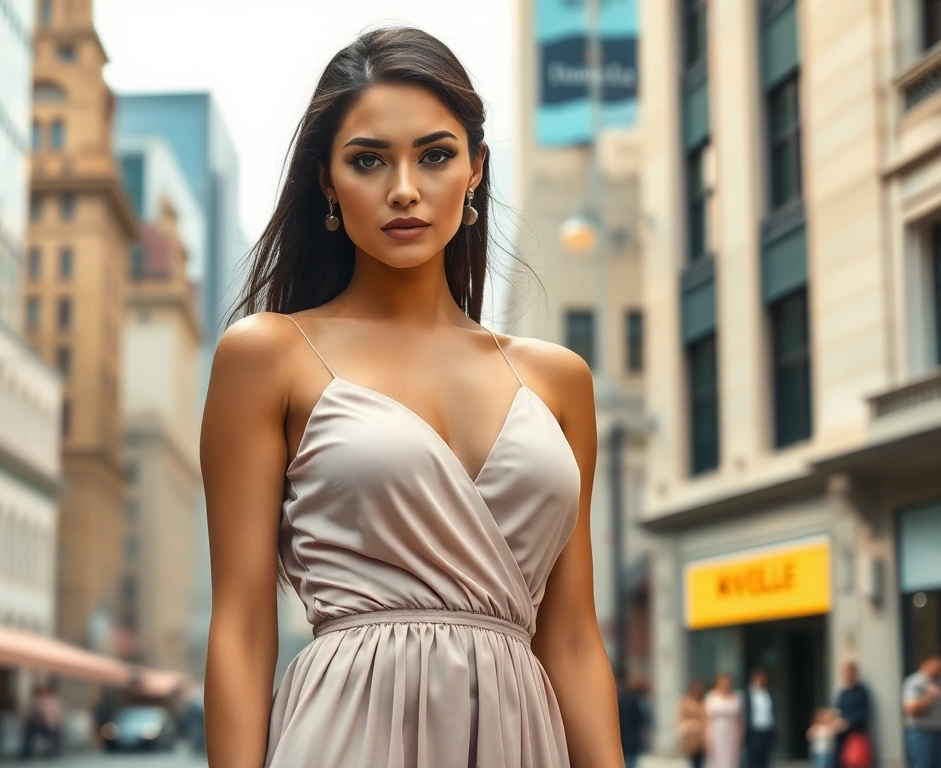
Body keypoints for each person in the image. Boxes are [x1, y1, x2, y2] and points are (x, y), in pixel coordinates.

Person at [201, 26, 622, 767]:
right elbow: (240, 627)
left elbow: (574, 639)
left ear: (475, 170)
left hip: (519, 739)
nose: (404, 187)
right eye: (368, 160)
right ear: (328, 183)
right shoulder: (268, 355)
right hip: (342, 736)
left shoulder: (559, 381)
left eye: (435, 154)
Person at [904, 655, 941, 768]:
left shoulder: (938, 681)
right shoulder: (915, 682)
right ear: (926, 663)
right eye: (936, 663)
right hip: (921, 733)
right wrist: (929, 697)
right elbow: (910, 709)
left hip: (937, 732)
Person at [834, 660, 872, 767]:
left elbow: (863, 714)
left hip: (855, 736)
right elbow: (838, 711)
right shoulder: (842, 693)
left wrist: (848, 723)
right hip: (841, 738)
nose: (846, 675)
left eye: (848, 672)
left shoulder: (861, 692)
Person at [704, 673, 743, 768]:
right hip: (715, 731)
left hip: (731, 732)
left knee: (731, 759)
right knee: (716, 758)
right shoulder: (710, 697)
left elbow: (739, 719)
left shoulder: (736, 697)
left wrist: (740, 736)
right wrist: (706, 736)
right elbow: (706, 718)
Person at [21, 681, 63, 758]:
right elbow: (32, 715)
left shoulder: (48, 701)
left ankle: (52, 752)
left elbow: (51, 716)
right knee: (29, 731)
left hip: (48, 726)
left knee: (56, 731)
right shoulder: (38, 701)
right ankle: (26, 753)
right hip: (42, 726)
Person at [745, 668, 776, 768]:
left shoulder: (770, 693)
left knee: (765, 759)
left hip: (767, 729)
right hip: (754, 730)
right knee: (754, 758)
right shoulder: (748, 693)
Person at [618, 672, 649, 768]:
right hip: (633, 736)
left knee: (624, 760)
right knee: (632, 761)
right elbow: (641, 717)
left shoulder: (619, 698)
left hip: (622, 736)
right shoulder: (635, 699)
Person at [678, 679, 708, 768]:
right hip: (690, 736)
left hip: (702, 736)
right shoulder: (685, 702)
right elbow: (681, 719)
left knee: (700, 762)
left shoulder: (703, 702)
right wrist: (692, 724)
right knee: (693, 761)